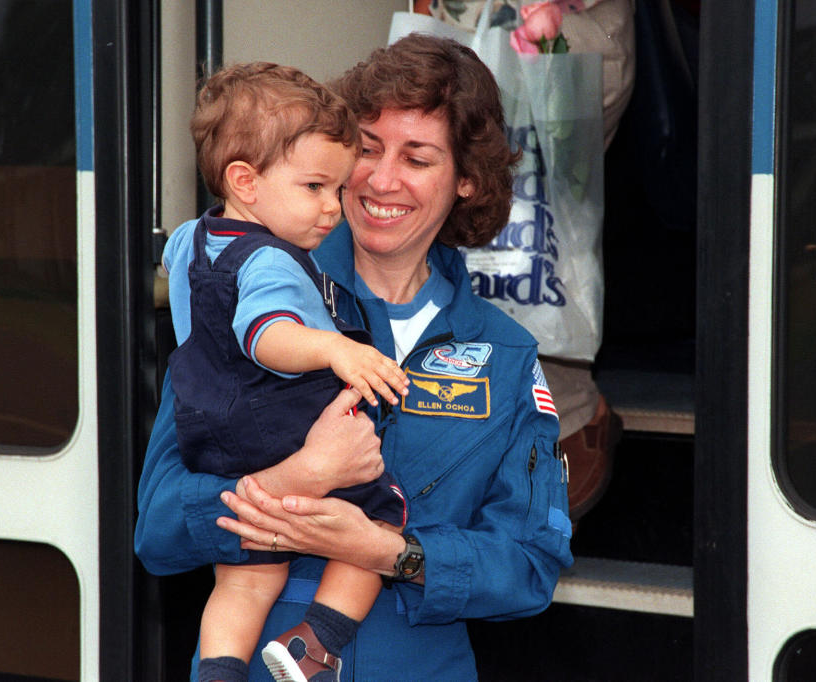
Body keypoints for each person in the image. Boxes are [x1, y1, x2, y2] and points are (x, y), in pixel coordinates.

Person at [135, 34, 573, 681]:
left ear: (468, 180)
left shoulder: (505, 355)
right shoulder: (251, 298)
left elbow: (531, 566)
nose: (380, 178)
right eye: (366, 149)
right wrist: (297, 480)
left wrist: (391, 552)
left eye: (417, 158)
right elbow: (160, 528)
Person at [160, 62, 412, 682]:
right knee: (383, 517)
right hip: (277, 422)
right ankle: (317, 645)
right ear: (245, 181)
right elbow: (265, 336)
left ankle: (220, 671)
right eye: (314, 188)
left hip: (209, 433)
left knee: (249, 575)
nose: (333, 208)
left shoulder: (191, 239)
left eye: (336, 189)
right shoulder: (275, 263)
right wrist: (335, 350)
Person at [417, 0, 636, 523]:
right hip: (470, 43)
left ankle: (569, 412)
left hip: (567, 49)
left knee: (542, 236)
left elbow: (606, 77)